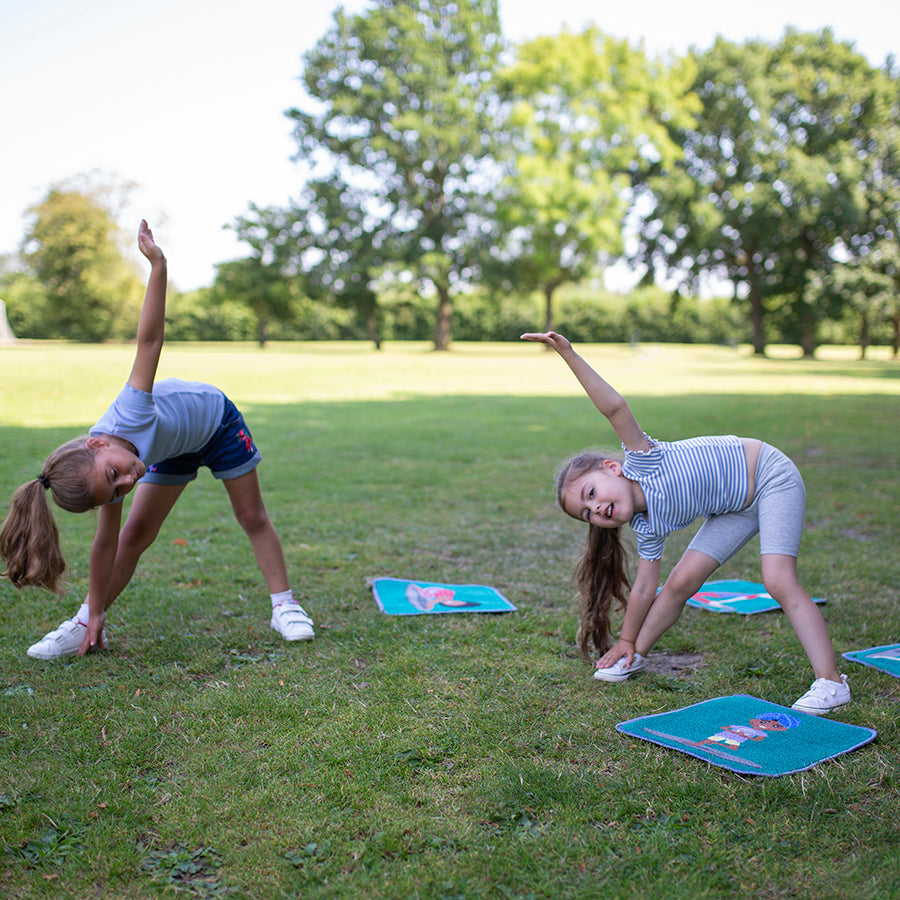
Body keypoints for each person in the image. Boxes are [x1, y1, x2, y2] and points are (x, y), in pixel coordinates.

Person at [0, 221, 314, 658]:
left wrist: (158, 265)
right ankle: (82, 623)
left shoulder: (129, 412)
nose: (125, 485)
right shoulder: (108, 473)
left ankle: (285, 605)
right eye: (115, 491)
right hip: (172, 449)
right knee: (133, 535)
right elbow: (105, 545)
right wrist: (94, 611)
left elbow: (149, 341)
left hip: (217, 423)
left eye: (115, 478)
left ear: (96, 444)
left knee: (252, 516)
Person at [520, 331, 850, 716]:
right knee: (678, 582)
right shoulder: (647, 527)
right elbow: (646, 588)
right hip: (734, 505)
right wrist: (626, 641)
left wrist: (569, 354)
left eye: (592, 494)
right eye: (586, 513)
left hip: (769, 476)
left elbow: (614, 409)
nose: (596, 511)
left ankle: (830, 681)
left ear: (613, 468)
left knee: (777, 579)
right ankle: (635, 655)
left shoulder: (644, 460)